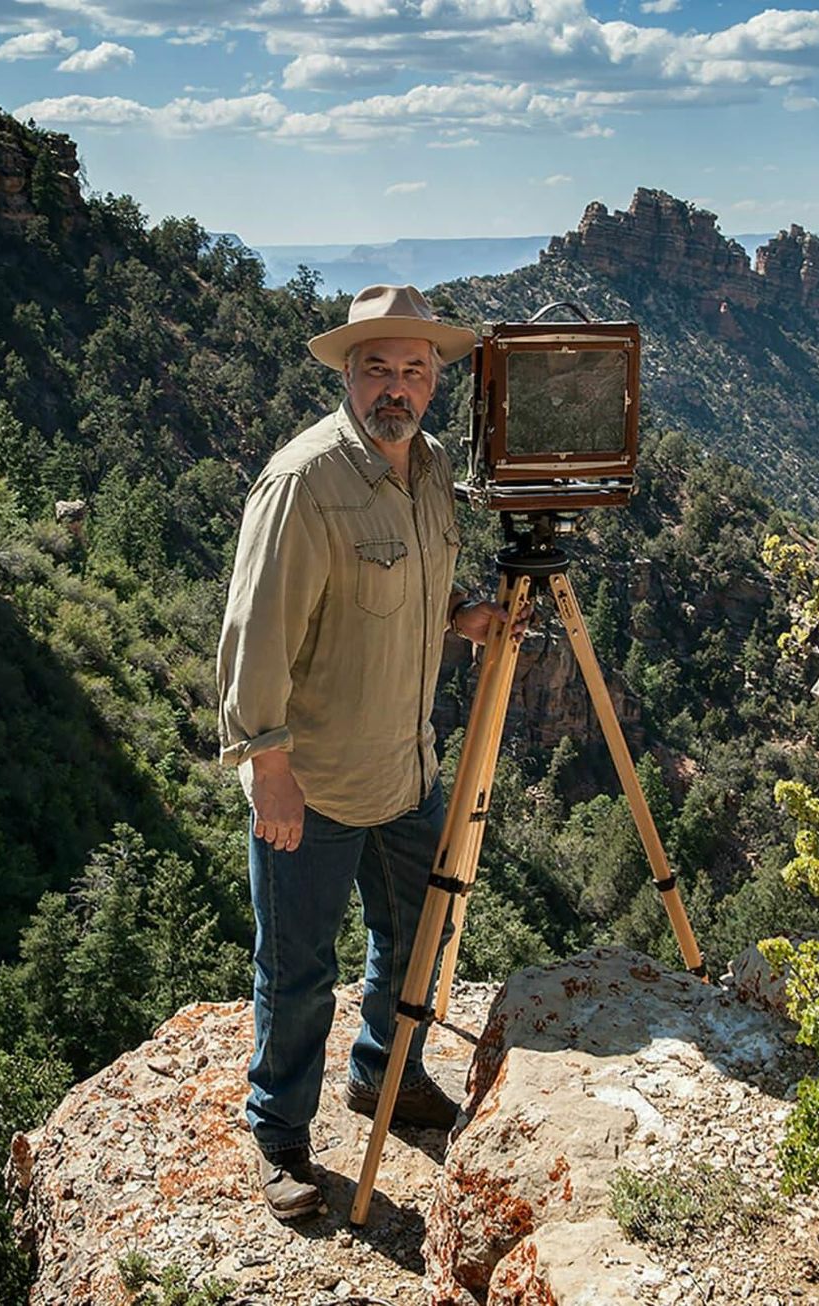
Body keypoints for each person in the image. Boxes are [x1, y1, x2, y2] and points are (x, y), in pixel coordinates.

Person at [217, 284, 516, 1222]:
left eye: (415, 369)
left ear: (434, 382)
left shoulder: (428, 470)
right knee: (298, 969)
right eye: (379, 367)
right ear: (349, 373)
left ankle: (386, 1074)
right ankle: (279, 1136)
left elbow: (409, 593)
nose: (398, 386)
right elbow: (254, 636)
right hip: (317, 783)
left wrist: (462, 617)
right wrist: (268, 768)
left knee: (415, 943)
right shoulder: (304, 482)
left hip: (409, 771)